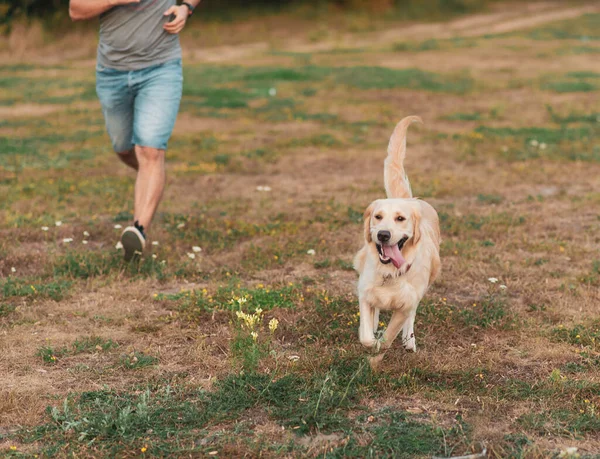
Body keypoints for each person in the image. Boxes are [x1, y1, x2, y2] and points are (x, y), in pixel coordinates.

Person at [69, 0, 201, 261]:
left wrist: (186, 6)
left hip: (161, 68)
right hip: (111, 73)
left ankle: (138, 229)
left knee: (150, 149)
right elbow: (75, 10)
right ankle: (154, 176)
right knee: (124, 148)